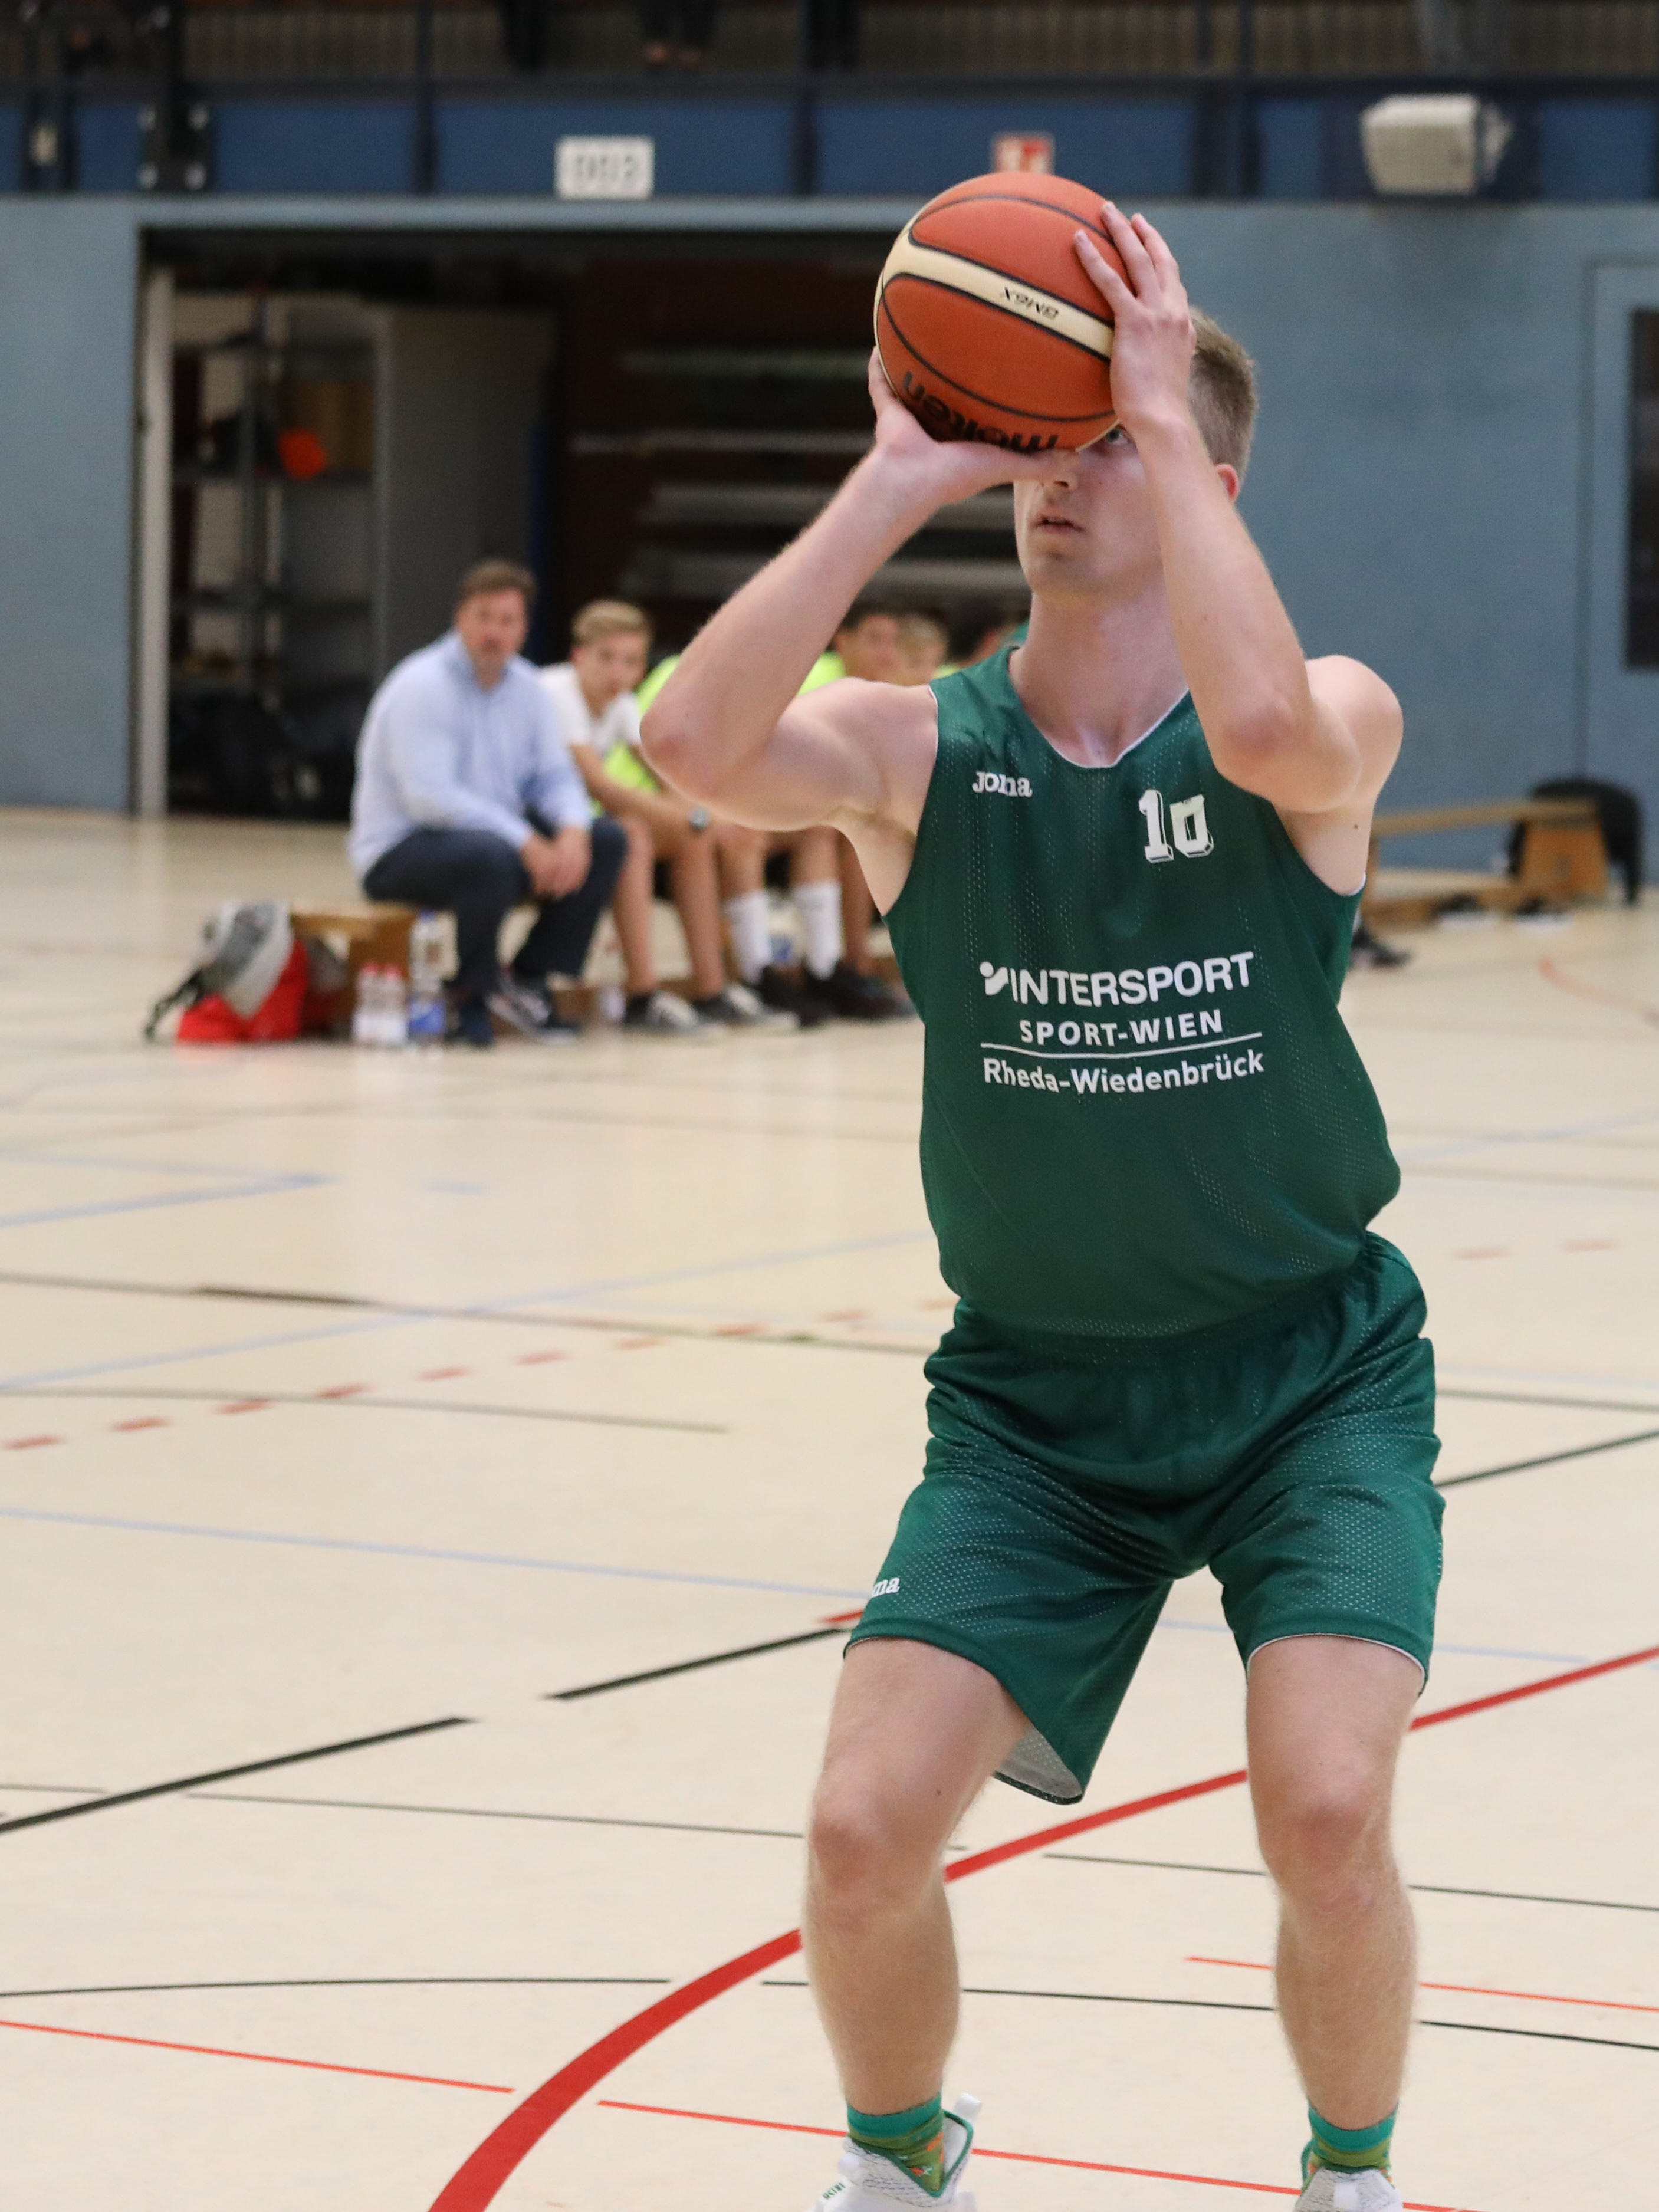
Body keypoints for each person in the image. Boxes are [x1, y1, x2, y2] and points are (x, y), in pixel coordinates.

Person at [644, 201, 1438, 2212]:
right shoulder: (927, 751)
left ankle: (1348, 2171)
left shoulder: (1328, 715)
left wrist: (1154, 409)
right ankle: (904, 2160)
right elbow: (684, 750)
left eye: (1102, 447)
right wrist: (891, 473)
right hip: (1034, 1410)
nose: (1053, 483)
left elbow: (1261, 730)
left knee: (1323, 1809)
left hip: (1305, 1380)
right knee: (856, 1833)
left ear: (1200, 477)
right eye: (1038, 448)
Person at [349, 560, 626, 1050]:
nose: (493, 633)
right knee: (489, 856)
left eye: (506, 621)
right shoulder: (422, 684)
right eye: (483, 618)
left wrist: (573, 828)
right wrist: (524, 840)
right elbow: (429, 797)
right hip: (401, 850)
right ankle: (470, 997)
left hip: (490, 843)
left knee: (606, 840)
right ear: (460, 618)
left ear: (523, 628)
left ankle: (528, 978)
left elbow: (552, 775)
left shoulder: (529, 689)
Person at [542, 599, 766, 1031]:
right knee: (635, 836)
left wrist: (708, 821)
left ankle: (711, 990)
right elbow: (600, 786)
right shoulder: (556, 693)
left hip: (576, 825)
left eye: (630, 662)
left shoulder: (623, 705)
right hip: (531, 824)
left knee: (692, 840)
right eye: (606, 658)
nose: (618, 673)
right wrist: (696, 818)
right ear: (578, 656)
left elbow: (670, 782)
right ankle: (641, 994)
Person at [806, 607, 911, 1021]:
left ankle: (858, 966)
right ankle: (835, 968)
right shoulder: (815, 683)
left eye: (893, 641)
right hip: (783, 808)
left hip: (835, 808)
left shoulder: (892, 690)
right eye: (874, 639)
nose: (886, 653)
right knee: (852, 829)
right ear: (842, 642)